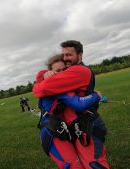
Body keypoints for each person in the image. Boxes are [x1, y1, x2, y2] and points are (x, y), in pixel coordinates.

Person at [33, 40, 109, 169]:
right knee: (76, 166)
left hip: (83, 125)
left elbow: (40, 89)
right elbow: (39, 90)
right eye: (64, 55)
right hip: (55, 130)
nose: (62, 73)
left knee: (92, 165)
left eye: (69, 55)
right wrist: (96, 96)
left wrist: (43, 78)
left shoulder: (77, 72)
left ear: (80, 55)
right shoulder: (59, 84)